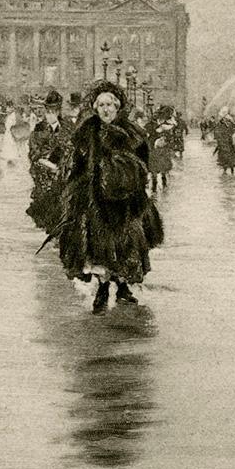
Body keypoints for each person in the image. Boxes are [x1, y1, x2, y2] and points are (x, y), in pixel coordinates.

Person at [58, 80, 166, 312]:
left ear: (117, 107)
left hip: (127, 199)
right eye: (102, 105)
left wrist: (131, 177)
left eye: (110, 105)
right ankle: (103, 288)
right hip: (96, 198)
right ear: (95, 108)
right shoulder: (87, 132)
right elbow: (76, 165)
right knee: (100, 245)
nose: (106, 109)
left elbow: (144, 163)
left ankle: (123, 286)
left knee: (127, 244)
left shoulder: (132, 133)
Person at [25, 89, 70, 235]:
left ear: (59, 111)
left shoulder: (67, 128)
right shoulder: (39, 129)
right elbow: (34, 154)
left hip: (63, 171)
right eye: (48, 110)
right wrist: (49, 163)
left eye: (54, 111)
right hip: (44, 171)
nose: (51, 114)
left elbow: (71, 148)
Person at [148, 104, 182, 193]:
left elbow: (171, 134)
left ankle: (161, 184)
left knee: (161, 168)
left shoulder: (169, 123)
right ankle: (156, 185)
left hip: (161, 149)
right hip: (155, 148)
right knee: (155, 169)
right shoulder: (153, 124)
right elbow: (149, 134)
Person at [212, 108, 235, 175]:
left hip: (227, 143)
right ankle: (227, 171)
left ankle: (230, 171)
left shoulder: (228, 123)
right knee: (227, 157)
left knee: (228, 157)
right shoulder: (227, 123)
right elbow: (217, 133)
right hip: (225, 143)